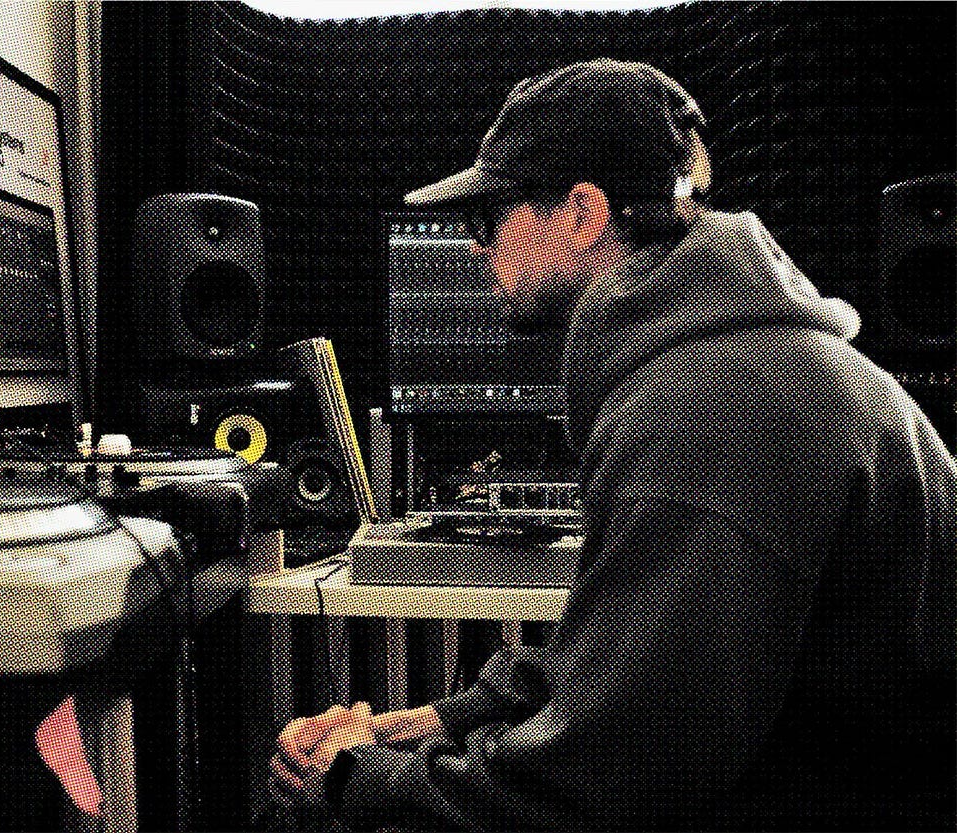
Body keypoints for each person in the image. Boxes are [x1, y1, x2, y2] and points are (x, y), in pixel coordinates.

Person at [269, 59, 956, 831]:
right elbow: (634, 661)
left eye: (488, 219)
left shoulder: (701, 411)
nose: (474, 248)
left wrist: (354, 778)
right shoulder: (725, 367)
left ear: (583, 213)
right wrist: (426, 723)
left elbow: (599, 783)